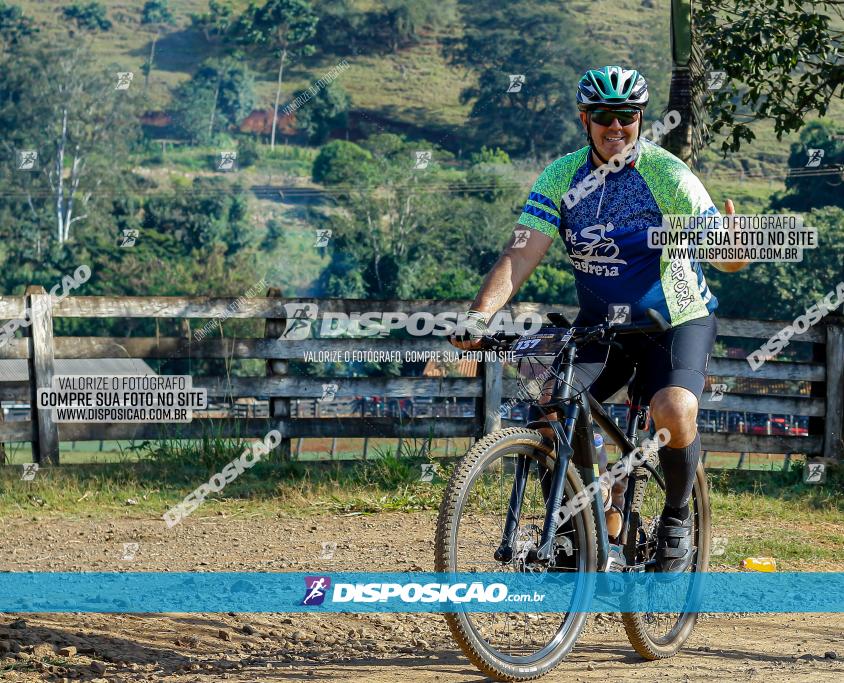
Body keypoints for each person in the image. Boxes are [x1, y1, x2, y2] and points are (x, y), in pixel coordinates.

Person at [449, 66, 749, 572]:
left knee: (673, 410)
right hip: (601, 327)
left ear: (640, 119)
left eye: (627, 116)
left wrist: (736, 246)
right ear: (585, 119)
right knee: (551, 406)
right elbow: (521, 254)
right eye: (604, 116)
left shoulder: (668, 176)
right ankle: (594, 519)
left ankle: (676, 518)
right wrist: (479, 316)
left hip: (672, 322)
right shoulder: (562, 177)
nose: (616, 126)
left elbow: (727, 255)